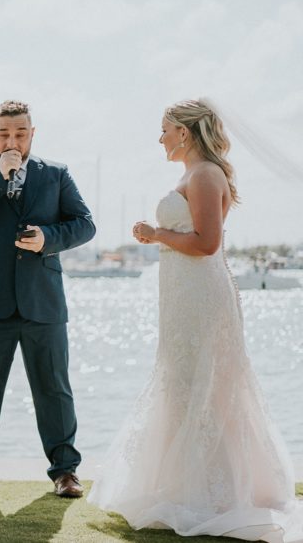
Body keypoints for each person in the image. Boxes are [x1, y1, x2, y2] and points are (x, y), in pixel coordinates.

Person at [89, 99, 303, 541]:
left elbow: (207, 242)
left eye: (165, 130)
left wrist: (155, 234)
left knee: (208, 384)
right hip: (183, 295)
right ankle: (191, 484)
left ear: (184, 132)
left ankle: (221, 492)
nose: (161, 138)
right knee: (186, 381)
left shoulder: (205, 173)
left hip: (203, 295)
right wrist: (160, 237)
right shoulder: (192, 174)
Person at [0, 100, 95, 499]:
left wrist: (49, 239)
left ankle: (65, 471)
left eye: (20, 133)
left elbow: (85, 224)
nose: (12, 140)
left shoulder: (56, 174)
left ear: (33, 133)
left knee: (54, 388)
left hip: (42, 299)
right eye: (3, 134)